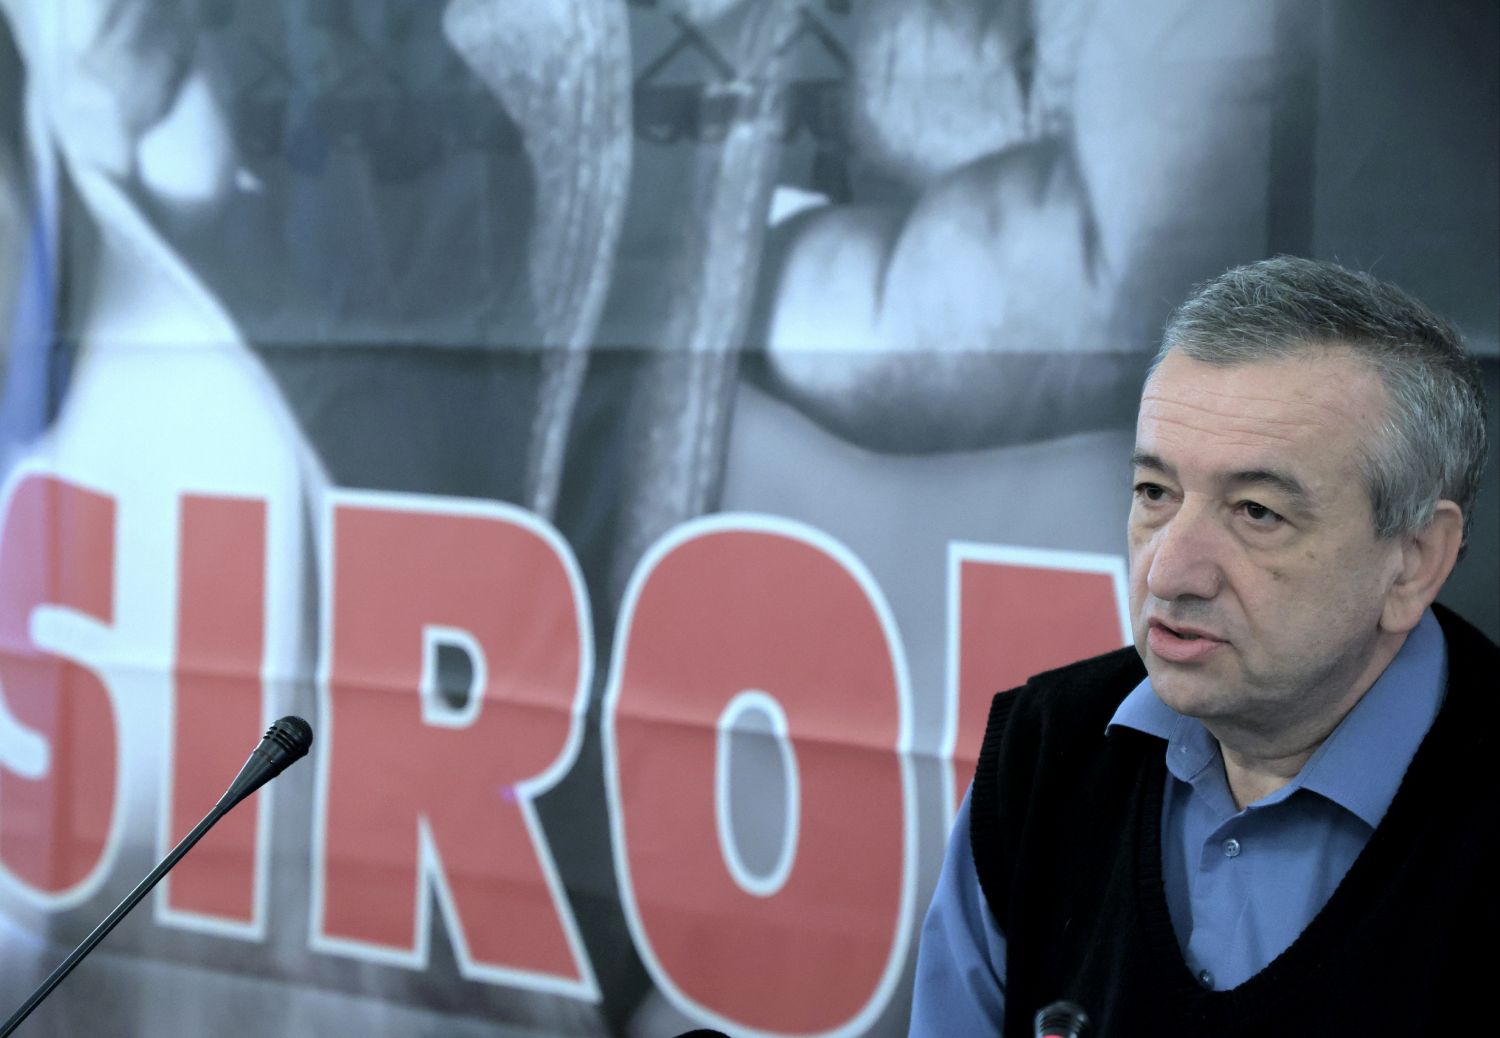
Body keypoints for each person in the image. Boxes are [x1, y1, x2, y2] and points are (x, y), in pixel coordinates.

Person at [909, 255, 1497, 1036]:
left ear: (1414, 560)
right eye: (1155, 493)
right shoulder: (1046, 752)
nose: (1168, 571)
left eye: (1256, 511)